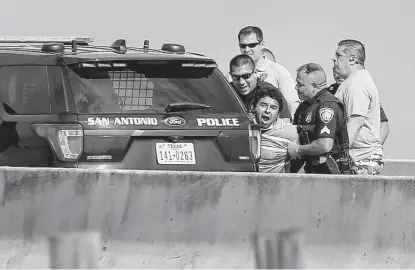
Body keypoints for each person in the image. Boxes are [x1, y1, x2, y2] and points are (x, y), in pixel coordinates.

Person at [287, 63, 352, 174]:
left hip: (333, 174)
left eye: (300, 84)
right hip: (313, 172)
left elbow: (324, 145)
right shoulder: (304, 107)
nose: (296, 87)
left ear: (314, 86)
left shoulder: (327, 105)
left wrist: (298, 150)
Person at [332, 39, 384, 175]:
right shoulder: (355, 80)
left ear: (352, 59)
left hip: (360, 159)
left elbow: (356, 122)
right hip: (359, 158)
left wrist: (338, 155)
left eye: (339, 55)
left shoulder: (357, 83)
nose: (334, 59)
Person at [233, 26, 300, 117]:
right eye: (243, 46)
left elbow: (292, 104)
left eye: (252, 45)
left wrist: (288, 128)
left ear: (262, 44)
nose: (247, 50)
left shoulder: (278, 71)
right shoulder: (234, 74)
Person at [327, 70, 390, 144]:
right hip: (338, 147)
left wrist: (374, 148)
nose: (339, 75)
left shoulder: (361, 90)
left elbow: (384, 127)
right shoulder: (328, 93)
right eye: (336, 71)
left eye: (341, 71)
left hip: (361, 148)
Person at [228, 54, 292, 122]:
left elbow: (285, 121)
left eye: (246, 76)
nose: (241, 82)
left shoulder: (270, 92)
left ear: (255, 73)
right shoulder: (226, 92)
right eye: (236, 77)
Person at [251, 86, 298, 173]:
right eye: (263, 105)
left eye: (273, 108)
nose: (267, 111)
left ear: (278, 113)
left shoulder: (290, 132)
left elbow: (295, 163)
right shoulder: (242, 127)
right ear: (253, 107)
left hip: (273, 184)